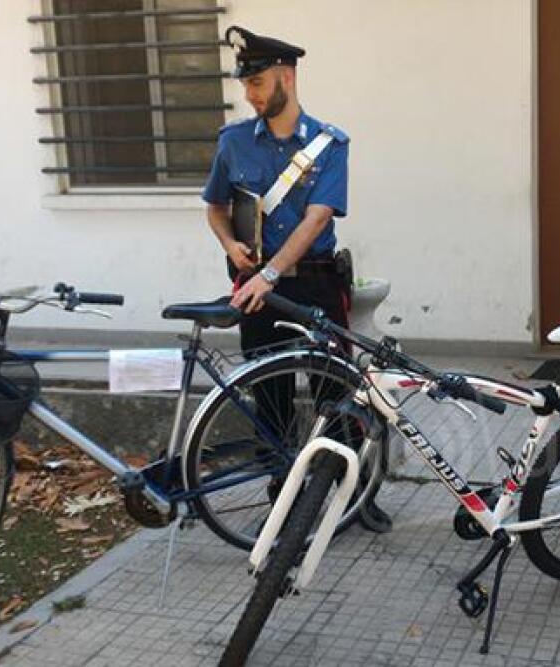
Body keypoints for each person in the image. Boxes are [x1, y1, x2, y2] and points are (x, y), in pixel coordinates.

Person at [202, 26, 389, 530]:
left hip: (314, 284)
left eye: (258, 82)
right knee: (271, 397)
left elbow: (317, 218)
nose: (250, 94)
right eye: (246, 84)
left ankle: (355, 494)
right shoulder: (234, 142)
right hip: (255, 288)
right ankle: (282, 501)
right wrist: (228, 244)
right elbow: (214, 206)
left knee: (336, 391)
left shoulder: (330, 144)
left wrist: (271, 272)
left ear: (286, 75)